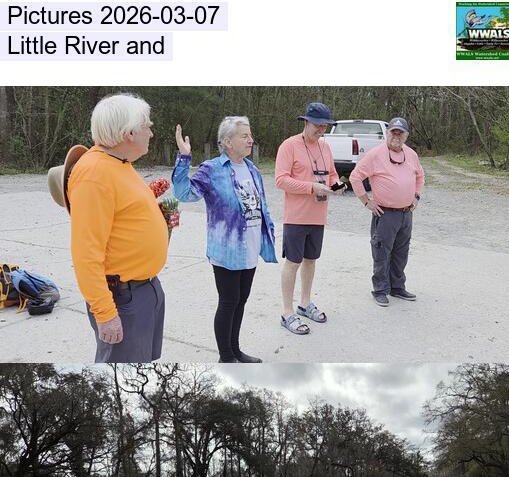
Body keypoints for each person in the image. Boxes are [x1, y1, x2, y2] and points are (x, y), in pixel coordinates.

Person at [50, 94, 167, 362]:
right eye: (147, 126)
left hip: (145, 289)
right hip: (123, 298)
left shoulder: (120, 163)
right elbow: (86, 254)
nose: (151, 132)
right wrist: (105, 313)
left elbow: (121, 211)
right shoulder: (94, 174)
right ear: (128, 133)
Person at [172, 117, 275, 363]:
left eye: (250, 135)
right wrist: (184, 158)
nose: (251, 140)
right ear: (227, 141)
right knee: (228, 302)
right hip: (227, 251)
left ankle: (236, 350)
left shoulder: (252, 169)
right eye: (244, 136)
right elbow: (184, 193)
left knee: (241, 301)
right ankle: (226, 358)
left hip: (250, 248)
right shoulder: (212, 169)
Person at [276, 101, 343, 337]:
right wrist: (311, 187)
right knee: (293, 262)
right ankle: (287, 311)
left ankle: (305, 302)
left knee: (311, 260)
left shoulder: (325, 148)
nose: (321, 130)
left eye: (325, 126)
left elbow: (332, 174)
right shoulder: (289, 146)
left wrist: (336, 186)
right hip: (296, 216)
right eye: (318, 125)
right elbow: (281, 180)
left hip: (318, 216)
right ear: (306, 122)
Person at [350, 117, 424, 307]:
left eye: (400, 133)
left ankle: (397, 287)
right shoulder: (375, 155)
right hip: (385, 214)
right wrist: (366, 201)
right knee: (382, 252)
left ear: (406, 135)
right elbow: (355, 177)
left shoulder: (412, 155)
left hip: (406, 213)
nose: (396, 136)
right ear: (387, 133)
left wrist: (416, 197)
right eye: (393, 132)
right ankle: (380, 290)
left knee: (401, 252)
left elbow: (420, 176)